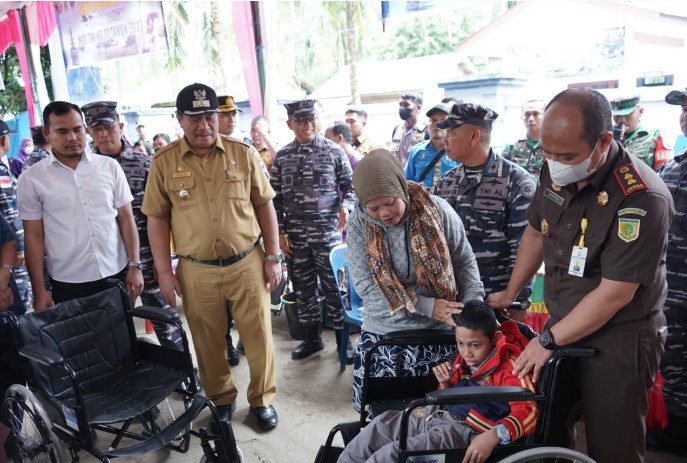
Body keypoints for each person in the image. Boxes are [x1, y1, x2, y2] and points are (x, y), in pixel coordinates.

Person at [487, 88, 673, 463]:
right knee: (545, 429)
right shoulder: (553, 169)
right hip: (561, 325)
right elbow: (537, 232)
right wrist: (511, 293)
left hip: (619, 338)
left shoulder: (640, 198)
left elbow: (614, 295)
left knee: (611, 444)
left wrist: (547, 340)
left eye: (567, 156)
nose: (554, 163)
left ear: (604, 141)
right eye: (547, 152)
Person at [142, 83, 281, 431]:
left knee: (259, 336)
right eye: (194, 118)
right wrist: (163, 271)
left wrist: (274, 256)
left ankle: (261, 399)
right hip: (195, 269)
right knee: (206, 340)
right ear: (179, 120)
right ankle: (221, 399)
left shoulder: (243, 153)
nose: (203, 125)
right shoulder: (163, 161)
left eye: (209, 116)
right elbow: (156, 218)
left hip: (248, 261)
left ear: (218, 117)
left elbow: (265, 205)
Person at [347, 149, 484, 412]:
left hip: (442, 337)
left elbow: (464, 262)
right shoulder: (358, 225)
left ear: (401, 189)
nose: (384, 213)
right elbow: (366, 286)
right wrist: (427, 306)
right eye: (373, 208)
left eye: (390, 202)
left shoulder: (437, 210)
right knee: (387, 420)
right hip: (387, 338)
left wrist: (471, 312)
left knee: (443, 418)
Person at [338, 300, 537, 463]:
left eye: (474, 345)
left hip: (466, 431)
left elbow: (529, 412)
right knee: (380, 426)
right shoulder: (470, 357)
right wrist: (446, 384)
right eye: (460, 343)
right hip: (439, 414)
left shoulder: (513, 366)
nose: (466, 352)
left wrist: (493, 436)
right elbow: (459, 395)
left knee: (391, 455)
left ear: (496, 339)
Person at [17, 101, 144, 309]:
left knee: (122, 339)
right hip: (68, 283)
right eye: (62, 131)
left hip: (117, 273)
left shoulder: (109, 167)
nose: (72, 137)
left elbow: (126, 219)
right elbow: (33, 237)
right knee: (77, 341)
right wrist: (39, 290)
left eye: (77, 130)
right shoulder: (31, 179)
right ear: (47, 135)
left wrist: (135, 266)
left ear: (85, 130)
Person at [81, 100, 183, 351]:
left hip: (149, 259)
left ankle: (182, 373)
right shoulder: (83, 169)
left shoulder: (144, 163)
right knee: (113, 325)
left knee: (166, 321)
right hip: (108, 261)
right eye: (96, 129)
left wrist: (164, 263)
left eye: (108, 126)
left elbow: (165, 214)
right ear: (88, 131)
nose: (103, 134)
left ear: (120, 125)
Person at [434, 103, 536, 322]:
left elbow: (526, 247)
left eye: (452, 133)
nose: (445, 140)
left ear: (474, 136)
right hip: (453, 301)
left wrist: (518, 299)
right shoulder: (446, 181)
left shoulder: (516, 182)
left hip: (497, 303)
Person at [272, 99, 356, 362]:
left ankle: (344, 340)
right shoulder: (282, 157)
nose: (307, 125)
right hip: (296, 237)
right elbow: (274, 200)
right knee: (303, 287)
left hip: (327, 234)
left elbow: (351, 188)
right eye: (300, 121)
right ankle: (312, 339)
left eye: (311, 120)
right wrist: (281, 233)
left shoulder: (334, 151)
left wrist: (346, 207)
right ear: (290, 124)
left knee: (334, 286)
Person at [648, 85, 687, 456]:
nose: (686, 114)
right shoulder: (670, 167)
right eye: (685, 108)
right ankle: (676, 428)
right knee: (673, 360)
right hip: (672, 287)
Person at [0, 121, 31, 310]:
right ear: (3, 140)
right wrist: (20, 247)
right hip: (10, 250)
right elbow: (9, 208)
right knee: (19, 298)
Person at [0, 213, 28, 406]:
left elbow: (8, 240)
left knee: (13, 379)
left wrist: (4, 274)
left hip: (6, 309)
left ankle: (10, 433)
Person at [610, 95, 672, 172]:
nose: (621, 120)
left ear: (640, 112)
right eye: (617, 116)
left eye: (627, 115)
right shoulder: (607, 137)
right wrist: (613, 141)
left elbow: (664, 173)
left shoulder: (655, 136)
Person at [404, 102, 459, 188]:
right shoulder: (416, 150)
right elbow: (407, 181)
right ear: (427, 125)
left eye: (442, 120)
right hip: (422, 200)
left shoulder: (458, 151)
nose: (436, 124)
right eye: (433, 120)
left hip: (449, 200)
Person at [502, 100, 546, 178]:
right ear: (522, 118)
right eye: (527, 114)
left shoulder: (554, 147)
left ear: (545, 116)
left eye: (536, 114)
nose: (531, 119)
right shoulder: (511, 147)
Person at [390, 92, 425, 168]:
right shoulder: (397, 130)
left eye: (406, 105)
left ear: (418, 108)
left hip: (416, 179)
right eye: (400, 105)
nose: (402, 108)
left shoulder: (426, 131)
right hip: (398, 177)